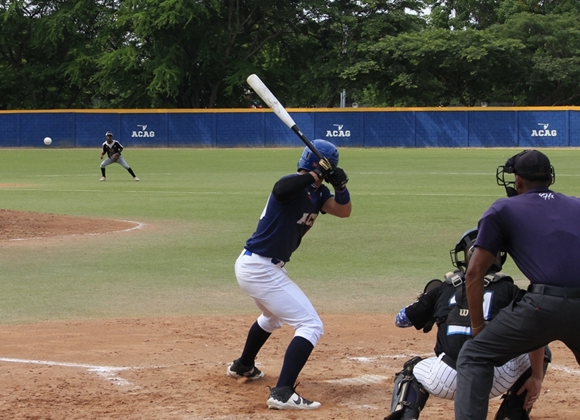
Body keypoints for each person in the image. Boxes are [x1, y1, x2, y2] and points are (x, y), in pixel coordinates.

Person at [455, 149, 580, 420]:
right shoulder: (578, 204)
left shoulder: (503, 208)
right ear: (550, 178)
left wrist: (478, 328)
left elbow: (474, 273)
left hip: (542, 307)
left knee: (475, 355)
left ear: (518, 181)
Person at [226, 139, 351, 410]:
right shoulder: (294, 185)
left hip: (260, 267)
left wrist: (341, 186)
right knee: (311, 325)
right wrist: (314, 175)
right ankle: (282, 393)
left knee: (272, 317)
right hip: (260, 268)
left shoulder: (318, 194)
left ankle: (244, 365)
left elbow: (343, 211)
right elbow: (280, 190)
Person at [386, 228, 550, 420]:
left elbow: (401, 320)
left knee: (411, 371)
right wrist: (536, 376)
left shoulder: (445, 288)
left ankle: (405, 416)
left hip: (446, 379)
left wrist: (429, 302)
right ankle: (512, 415)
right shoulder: (509, 289)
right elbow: (536, 328)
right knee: (541, 349)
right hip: (495, 379)